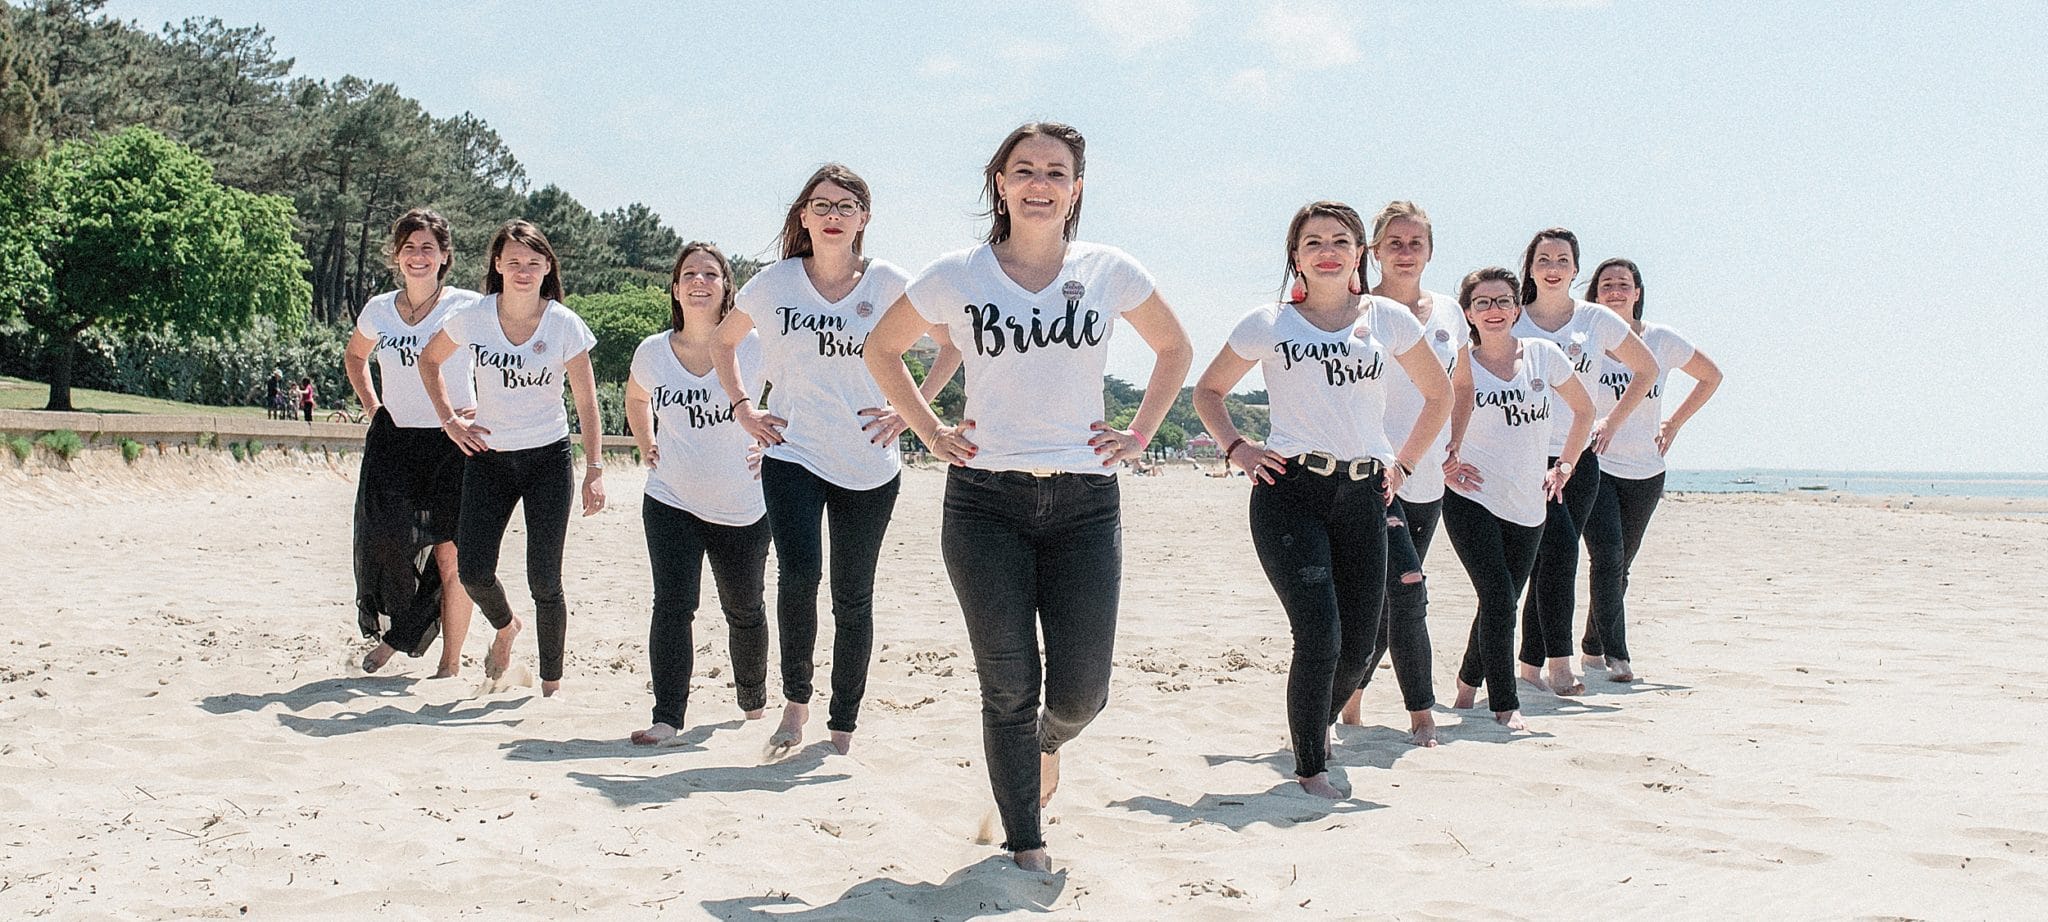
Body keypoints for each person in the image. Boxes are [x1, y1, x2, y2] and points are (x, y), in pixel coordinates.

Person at [863, 122, 1193, 872]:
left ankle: (1050, 745)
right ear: (1001, 184)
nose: (1039, 183)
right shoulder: (959, 274)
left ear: (1075, 189)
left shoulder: (1110, 269)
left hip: (1085, 502)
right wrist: (928, 430)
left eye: (1055, 172)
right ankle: (1025, 841)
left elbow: (1175, 348)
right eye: (1024, 170)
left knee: (1082, 694)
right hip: (984, 503)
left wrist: (1139, 434)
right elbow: (881, 348)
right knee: (1008, 683)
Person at [1192, 201, 1449, 796]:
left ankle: (1312, 725)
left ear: (1361, 252)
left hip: (1365, 494)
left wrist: (1405, 463)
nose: (1327, 249)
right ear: (1296, 256)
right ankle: (1310, 767)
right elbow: (1209, 390)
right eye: (1313, 242)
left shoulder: (1386, 318)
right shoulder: (1268, 322)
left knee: (1360, 644)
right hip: (1291, 493)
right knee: (1320, 634)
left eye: (1340, 239)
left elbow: (1438, 396)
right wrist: (1238, 448)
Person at [715, 164, 961, 756]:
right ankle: (795, 707)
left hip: (870, 461)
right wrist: (745, 409)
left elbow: (952, 342)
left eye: (846, 207)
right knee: (798, 578)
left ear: (863, 220)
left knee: (854, 593)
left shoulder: (893, 283)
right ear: (804, 216)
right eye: (821, 205)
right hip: (792, 452)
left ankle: (842, 721)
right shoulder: (772, 285)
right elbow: (725, 343)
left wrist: (911, 410)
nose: (833, 216)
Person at [418, 219, 604, 697]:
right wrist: (450, 421)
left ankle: (550, 685)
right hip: (488, 457)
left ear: (547, 268)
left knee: (545, 578)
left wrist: (595, 470)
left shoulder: (563, 323)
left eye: (533, 262)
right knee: (473, 569)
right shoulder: (476, 316)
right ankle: (505, 626)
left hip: (547, 459)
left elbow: (586, 402)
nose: (523, 270)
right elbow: (429, 360)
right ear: (498, 265)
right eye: (514, 261)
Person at [626, 242, 773, 744]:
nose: (699, 281)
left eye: (711, 273)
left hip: (744, 506)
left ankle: (752, 697)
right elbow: (635, 395)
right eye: (689, 273)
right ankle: (668, 716)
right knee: (672, 604)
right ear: (675, 288)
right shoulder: (652, 351)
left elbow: (804, 388)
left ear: (726, 288)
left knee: (745, 609)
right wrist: (646, 441)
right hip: (670, 500)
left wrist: (774, 444)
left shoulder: (754, 345)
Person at [1441, 267, 1594, 730]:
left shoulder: (1543, 356)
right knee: (1498, 598)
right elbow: (1424, 413)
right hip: (1471, 497)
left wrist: (1565, 464)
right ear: (1468, 312)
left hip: (1529, 504)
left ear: (1516, 307)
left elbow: (1585, 410)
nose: (1494, 310)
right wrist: (1443, 462)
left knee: (1500, 601)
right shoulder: (1457, 361)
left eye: (1503, 301)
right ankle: (1504, 704)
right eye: (1482, 302)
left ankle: (1466, 689)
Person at [1509, 228, 1656, 696]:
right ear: (1530, 267)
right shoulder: (1510, 318)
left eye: (1563, 260)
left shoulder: (1595, 320)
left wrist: (1610, 421)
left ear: (1575, 270)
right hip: (1524, 456)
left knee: (1557, 555)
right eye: (1544, 259)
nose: (1553, 268)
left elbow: (1646, 369)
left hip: (1578, 458)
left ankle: (1534, 665)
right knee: (1549, 557)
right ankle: (1555, 662)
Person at [1341, 201, 1464, 747]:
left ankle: (1350, 700)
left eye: (1416, 243)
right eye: (1395, 242)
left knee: (1386, 599)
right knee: (1408, 587)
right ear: (1374, 251)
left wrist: (1456, 444)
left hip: (1429, 476)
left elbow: (1461, 385)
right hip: (1373, 473)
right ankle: (1422, 713)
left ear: (1430, 251)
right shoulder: (1355, 310)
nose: (1406, 252)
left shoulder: (1450, 314)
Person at [347, 208, 482, 678]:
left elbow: (499, 353)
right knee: (386, 543)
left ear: (445, 256)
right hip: (394, 441)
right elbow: (355, 355)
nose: (418, 257)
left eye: (428, 248)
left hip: (452, 442)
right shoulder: (379, 309)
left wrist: (483, 411)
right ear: (397, 257)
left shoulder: (467, 305)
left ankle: (450, 663)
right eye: (409, 249)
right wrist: (372, 404)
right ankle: (399, 634)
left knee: (450, 553)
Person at [1577, 258, 1723, 682]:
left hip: (1646, 471)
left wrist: (1673, 423)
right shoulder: (1586, 339)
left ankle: (1592, 646)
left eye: (1624, 284)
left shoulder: (1661, 340)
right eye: (1607, 285)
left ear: (1637, 293)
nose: (1616, 291)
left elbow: (1711, 377)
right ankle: (1617, 654)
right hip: (1597, 464)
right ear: (1595, 293)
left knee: (1620, 565)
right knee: (1607, 556)